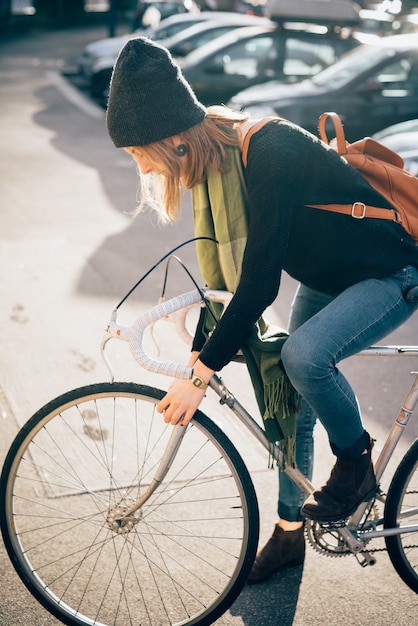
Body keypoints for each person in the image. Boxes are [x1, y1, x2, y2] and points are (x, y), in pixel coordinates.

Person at [106, 37, 418, 584]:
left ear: (174, 140)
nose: (146, 170)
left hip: (390, 273)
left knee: (303, 357)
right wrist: (207, 345)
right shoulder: (219, 174)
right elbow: (231, 284)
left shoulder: (269, 152)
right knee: (292, 407)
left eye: (141, 154)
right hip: (331, 279)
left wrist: (200, 374)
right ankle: (289, 533)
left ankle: (355, 465)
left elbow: (259, 283)